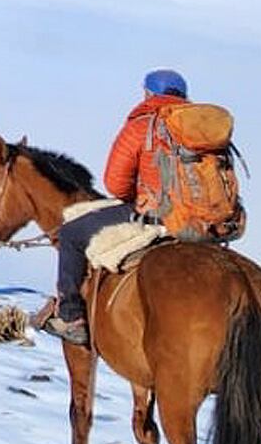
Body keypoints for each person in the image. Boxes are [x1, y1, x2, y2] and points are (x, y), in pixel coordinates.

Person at [40, 68, 189, 347]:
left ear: (149, 94)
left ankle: (71, 317)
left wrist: (137, 197)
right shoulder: (205, 129)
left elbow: (115, 182)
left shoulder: (141, 125)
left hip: (156, 216)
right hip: (201, 221)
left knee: (70, 234)